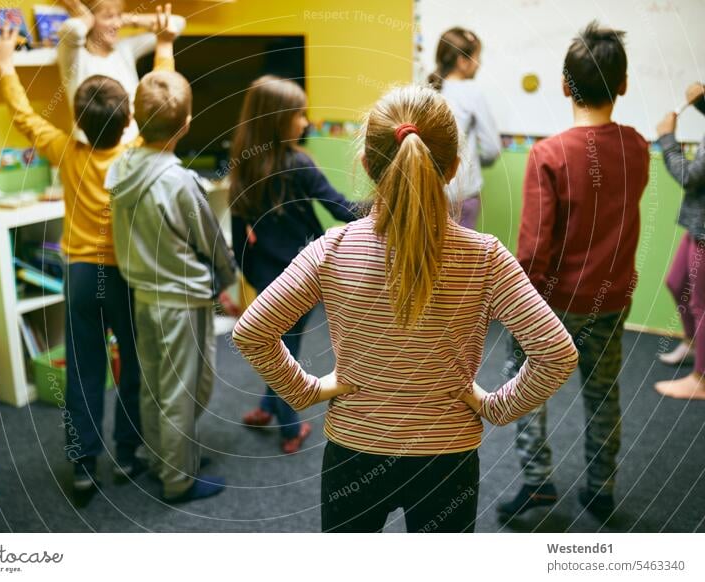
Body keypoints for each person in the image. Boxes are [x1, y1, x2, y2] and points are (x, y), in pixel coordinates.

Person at [232, 84, 578, 533]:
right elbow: (558, 354)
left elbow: (251, 333)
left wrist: (307, 391)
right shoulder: (485, 256)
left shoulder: (331, 250)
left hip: (354, 454)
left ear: (365, 166)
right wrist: (496, 406)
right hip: (447, 459)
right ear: (454, 168)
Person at [0, 7, 179, 498]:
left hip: (78, 275)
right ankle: (130, 451)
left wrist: (6, 63)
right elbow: (163, 96)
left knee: (84, 369)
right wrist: (162, 44)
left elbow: (23, 115)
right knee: (133, 367)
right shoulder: (137, 148)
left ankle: (83, 465)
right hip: (124, 276)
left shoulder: (62, 148)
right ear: (125, 123)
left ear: (77, 119)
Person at [497, 22, 650, 522]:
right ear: (623, 85)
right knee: (603, 392)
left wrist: (519, 308)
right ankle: (600, 487)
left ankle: (537, 482)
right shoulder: (639, 149)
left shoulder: (548, 154)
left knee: (526, 385)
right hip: (610, 300)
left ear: (564, 85)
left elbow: (535, 248)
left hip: (551, 301)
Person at [106, 68, 237, 503]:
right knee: (188, 388)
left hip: (143, 294)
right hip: (183, 300)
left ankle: (160, 454)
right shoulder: (180, 181)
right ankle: (178, 479)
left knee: (153, 382)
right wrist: (229, 276)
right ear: (186, 125)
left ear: (134, 120)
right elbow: (213, 240)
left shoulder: (121, 166)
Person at [229, 75, 362, 454]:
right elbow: (341, 207)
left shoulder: (243, 165)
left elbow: (238, 231)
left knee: (276, 342)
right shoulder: (299, 164)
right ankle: (290, 428)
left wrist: (245, 277)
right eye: (299, 114)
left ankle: (268, 406)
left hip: (263, 272)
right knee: (284, 350)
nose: (305, 122)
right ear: (277, 119)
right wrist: (385, 207)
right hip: (302, 276)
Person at [57, 0, 186, 143]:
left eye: (118, 16)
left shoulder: (125, 49)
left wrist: (128, 19)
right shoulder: (75, 56)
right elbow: (72, 30)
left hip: (132, 149)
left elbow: (175, 26)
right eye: (108, 17)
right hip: (91, 153)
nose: (117, 24)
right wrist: (87, 18)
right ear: (90, 18)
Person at [655, 82, 705, 400]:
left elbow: (689, 175)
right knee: (677, 282)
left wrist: (667, 139)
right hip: (697, 222)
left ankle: (701, 378)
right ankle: (693, 344)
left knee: (701, 302)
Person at [428, 27, 500, 229]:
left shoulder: (425, 90)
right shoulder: (472, 93)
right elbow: (492, 148)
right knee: (462, 257)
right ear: (462, 61)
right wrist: (475, 161)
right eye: (477, 57)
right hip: (463, 194)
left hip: (428, 193)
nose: (480, 63)